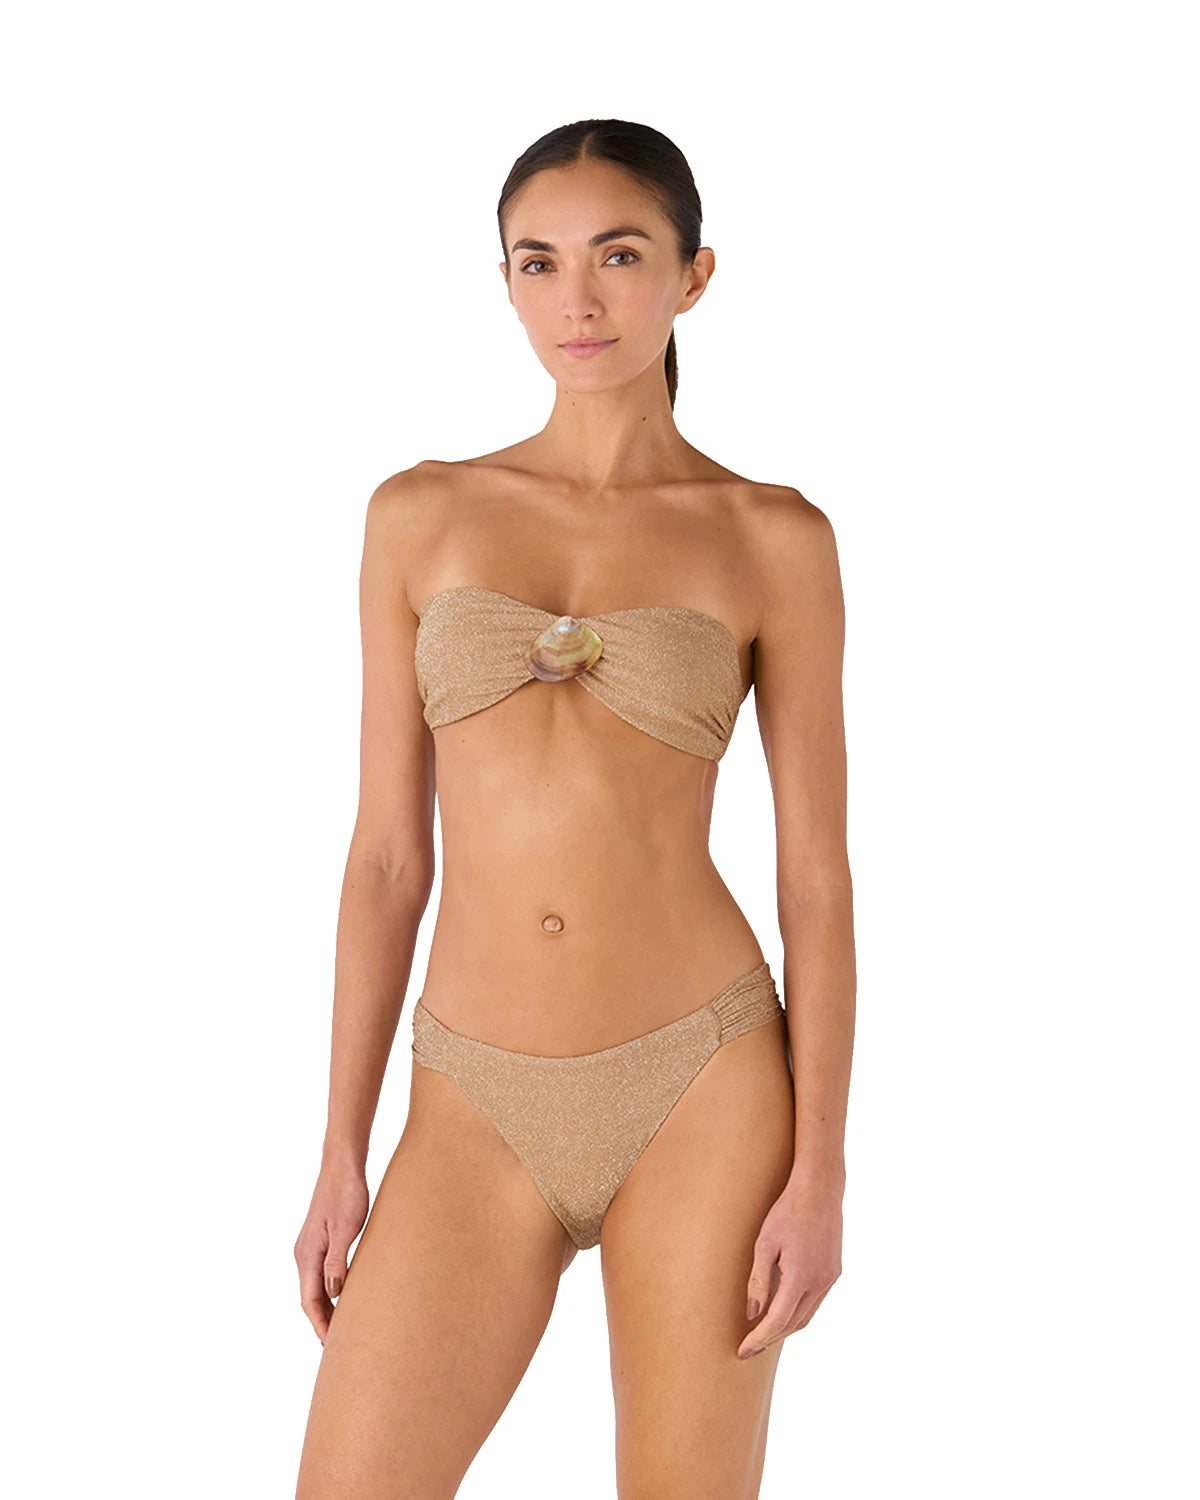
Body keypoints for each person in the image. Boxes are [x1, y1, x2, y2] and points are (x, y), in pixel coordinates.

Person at [293, 117, 855, 1500]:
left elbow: (818, 879)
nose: (580, 299)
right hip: (470, 1095)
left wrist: (822, 1174)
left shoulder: (773, 536)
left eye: (620, 255)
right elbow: (385, 860)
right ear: (505, 283)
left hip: (703, 1083)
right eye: (539, 262)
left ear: (694, 275)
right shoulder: (417, 514)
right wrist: (340, 1150)